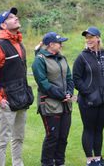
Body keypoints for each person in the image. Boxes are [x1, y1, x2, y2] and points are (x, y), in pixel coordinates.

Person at [0, 7, 33, 166]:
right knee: (2, 141)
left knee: (19, 138)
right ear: (3, 25)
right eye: (11, 17)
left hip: (22, 99)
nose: (16, 18)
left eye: (16, 16)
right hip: (6, 101)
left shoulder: (19, 44)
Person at [73, 27, 104, 166]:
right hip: (88, 101)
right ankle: (89, 160)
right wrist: (88, 93)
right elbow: (76, 78)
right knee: (89, 129)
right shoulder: (82, 57)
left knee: (99, 129)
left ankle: (98, 158)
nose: (88, 40)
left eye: (91, 37)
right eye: (87, 38)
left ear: (98, 38)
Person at [32, 32, 74, 166]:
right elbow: (43, 84)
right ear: (51, 45)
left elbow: (69, 78)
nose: (61, 45)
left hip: (66, 104)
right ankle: (47, 163)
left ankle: (60, 162)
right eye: (59, 42)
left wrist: (69, 93)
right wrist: (61, 95)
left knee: (63, 137)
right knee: (52, 137)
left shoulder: (62, 58)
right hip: (50, 105)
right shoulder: (39, 60)